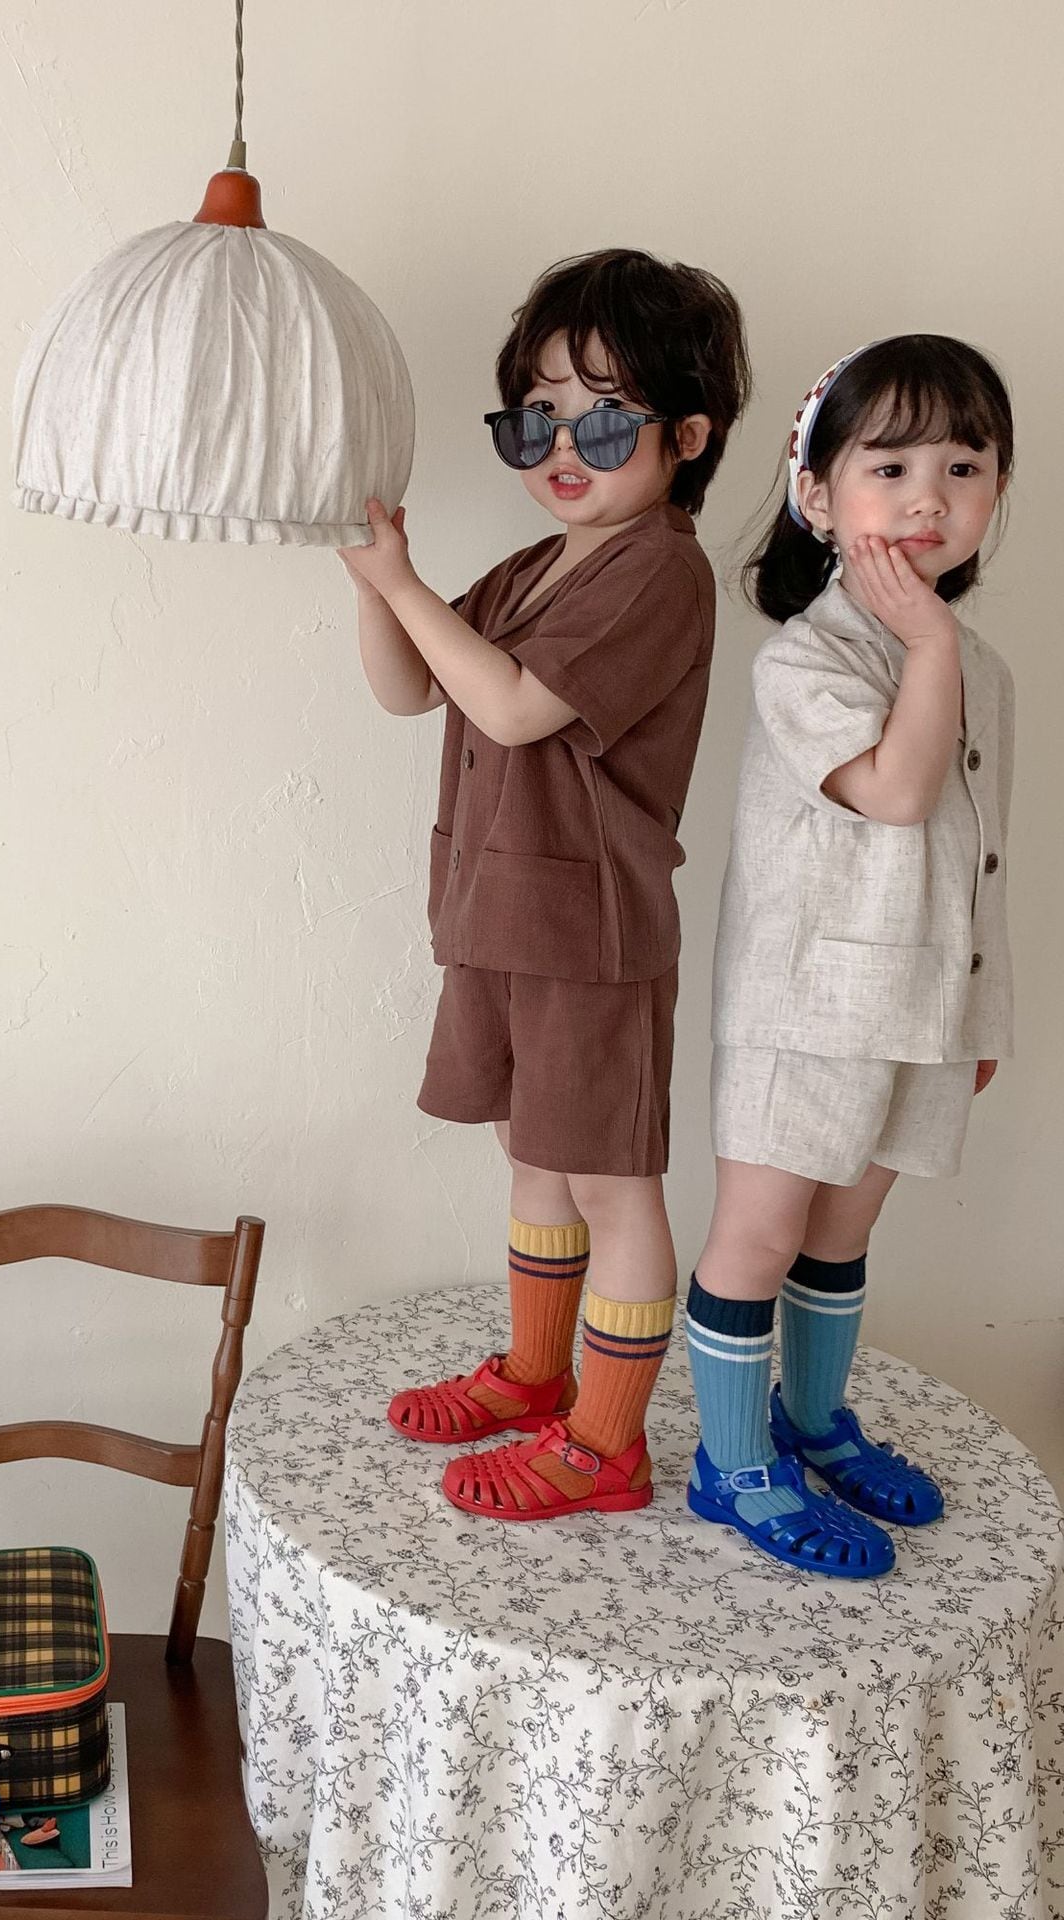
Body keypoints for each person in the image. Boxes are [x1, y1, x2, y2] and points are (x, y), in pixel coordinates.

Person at [341, 249, 750, 1518]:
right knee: (532, 1155)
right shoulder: (537, 566)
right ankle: (536, 1374)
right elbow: (410, 685)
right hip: (500, 912)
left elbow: (514, 707)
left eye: (605, 418)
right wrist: (375, 579)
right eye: (537, 416)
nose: (564, 445)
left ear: (687, 437)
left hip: (588, 928)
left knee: (611, 1180)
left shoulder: (658, 570)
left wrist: (402, 585)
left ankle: (607, 1444)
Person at [684, 335, 1015, 1576]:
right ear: (817, 498)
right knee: (762, 1235)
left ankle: (812, 1420)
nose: (929, 497)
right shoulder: (807, 657)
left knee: (844, 1232)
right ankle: (731, 1464)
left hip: (923, 1009)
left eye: (963, 466)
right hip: (807, 1008)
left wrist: (984, 1015)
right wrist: (925, 648)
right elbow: (895, 793)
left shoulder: (983, 669)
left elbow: (981, 860)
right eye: (891, 467)